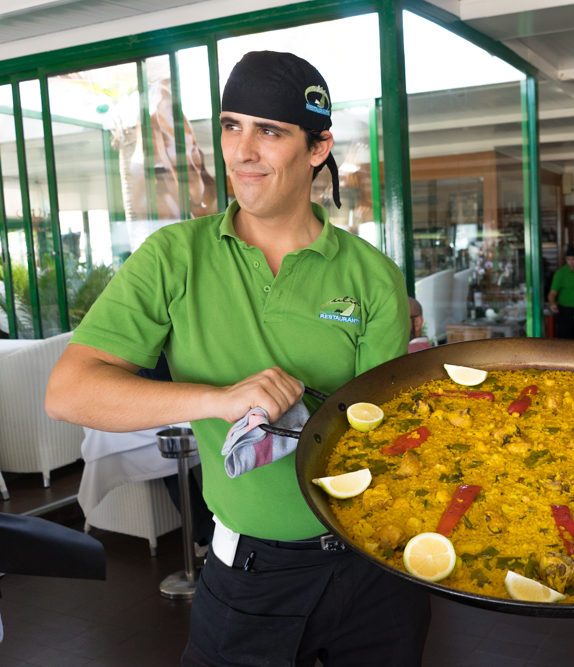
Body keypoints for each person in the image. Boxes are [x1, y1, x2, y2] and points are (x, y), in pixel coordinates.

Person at [46, 51, 430, 667]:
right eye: (231, 125)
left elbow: (381, 438)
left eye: (270, 131)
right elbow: (68, 391)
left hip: (375, 567)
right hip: (251, 574)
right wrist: (218, 399)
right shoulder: (173, 257)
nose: (242, 151)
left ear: (317, 147)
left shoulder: (375, 278)